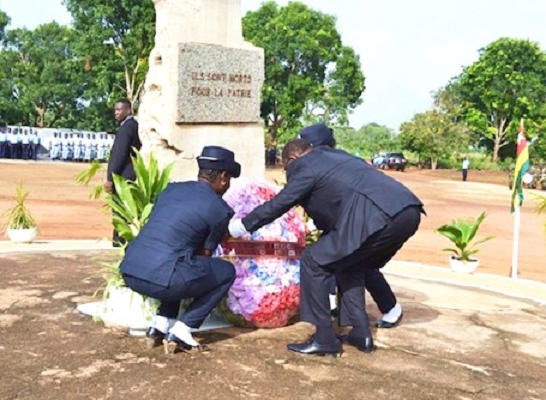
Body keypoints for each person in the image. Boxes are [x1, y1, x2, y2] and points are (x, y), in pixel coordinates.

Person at [228, 139, 423, 357]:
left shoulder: (305, 165)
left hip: (375, 216)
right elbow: (337, 197)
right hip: (408, 210)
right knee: (350, 264)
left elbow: (281, 203)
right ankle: (361, 333)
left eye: (285, 167)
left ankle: (324, 339)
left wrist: (239, 227)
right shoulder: (336, 157)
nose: (287, 172)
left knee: (313, 260)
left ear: (292, 159)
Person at [120, 146, 240, 354]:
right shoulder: (219, 209)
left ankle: (160, 324)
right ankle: (183, 330)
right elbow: (204, 256)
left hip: (131, 270)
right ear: (223, 176)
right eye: (229, 180)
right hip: (162, 279)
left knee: (179, 261)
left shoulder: (171, 190)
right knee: (224, 272)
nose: (228, 185)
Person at [299, 124, 405, 329]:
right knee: (347, 260)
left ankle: (385, 309)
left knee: (354, 262)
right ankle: (360, 315)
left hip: (363, 219)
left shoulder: (329, 162)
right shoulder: (338, 159)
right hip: (351, 219)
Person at [105, 99, 142, 247]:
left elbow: (119, 155)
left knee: (120, 208)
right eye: (115, 110)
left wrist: (110, 177)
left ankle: (119, 240)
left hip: (123, 175)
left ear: (128, 110)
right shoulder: (134, 126)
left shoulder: (126, 128)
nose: (116, 113)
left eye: (119, 110)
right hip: (132, 173)